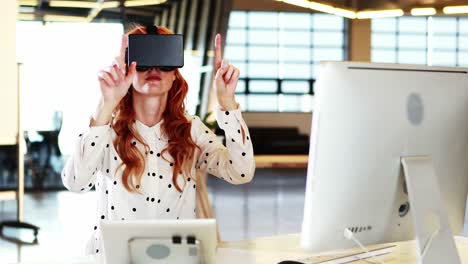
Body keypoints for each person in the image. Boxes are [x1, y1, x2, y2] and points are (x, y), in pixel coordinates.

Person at [61, 25, 255, 255]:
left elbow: (240, 172)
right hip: (114, 257)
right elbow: (76, 182)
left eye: (164, 59)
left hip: (175, 257)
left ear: (175, 74)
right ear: (127, 70)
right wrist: (106, 105)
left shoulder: (191, 130)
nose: (154, 68)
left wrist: (227, 103)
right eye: (142, 60)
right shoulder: (106, 131)